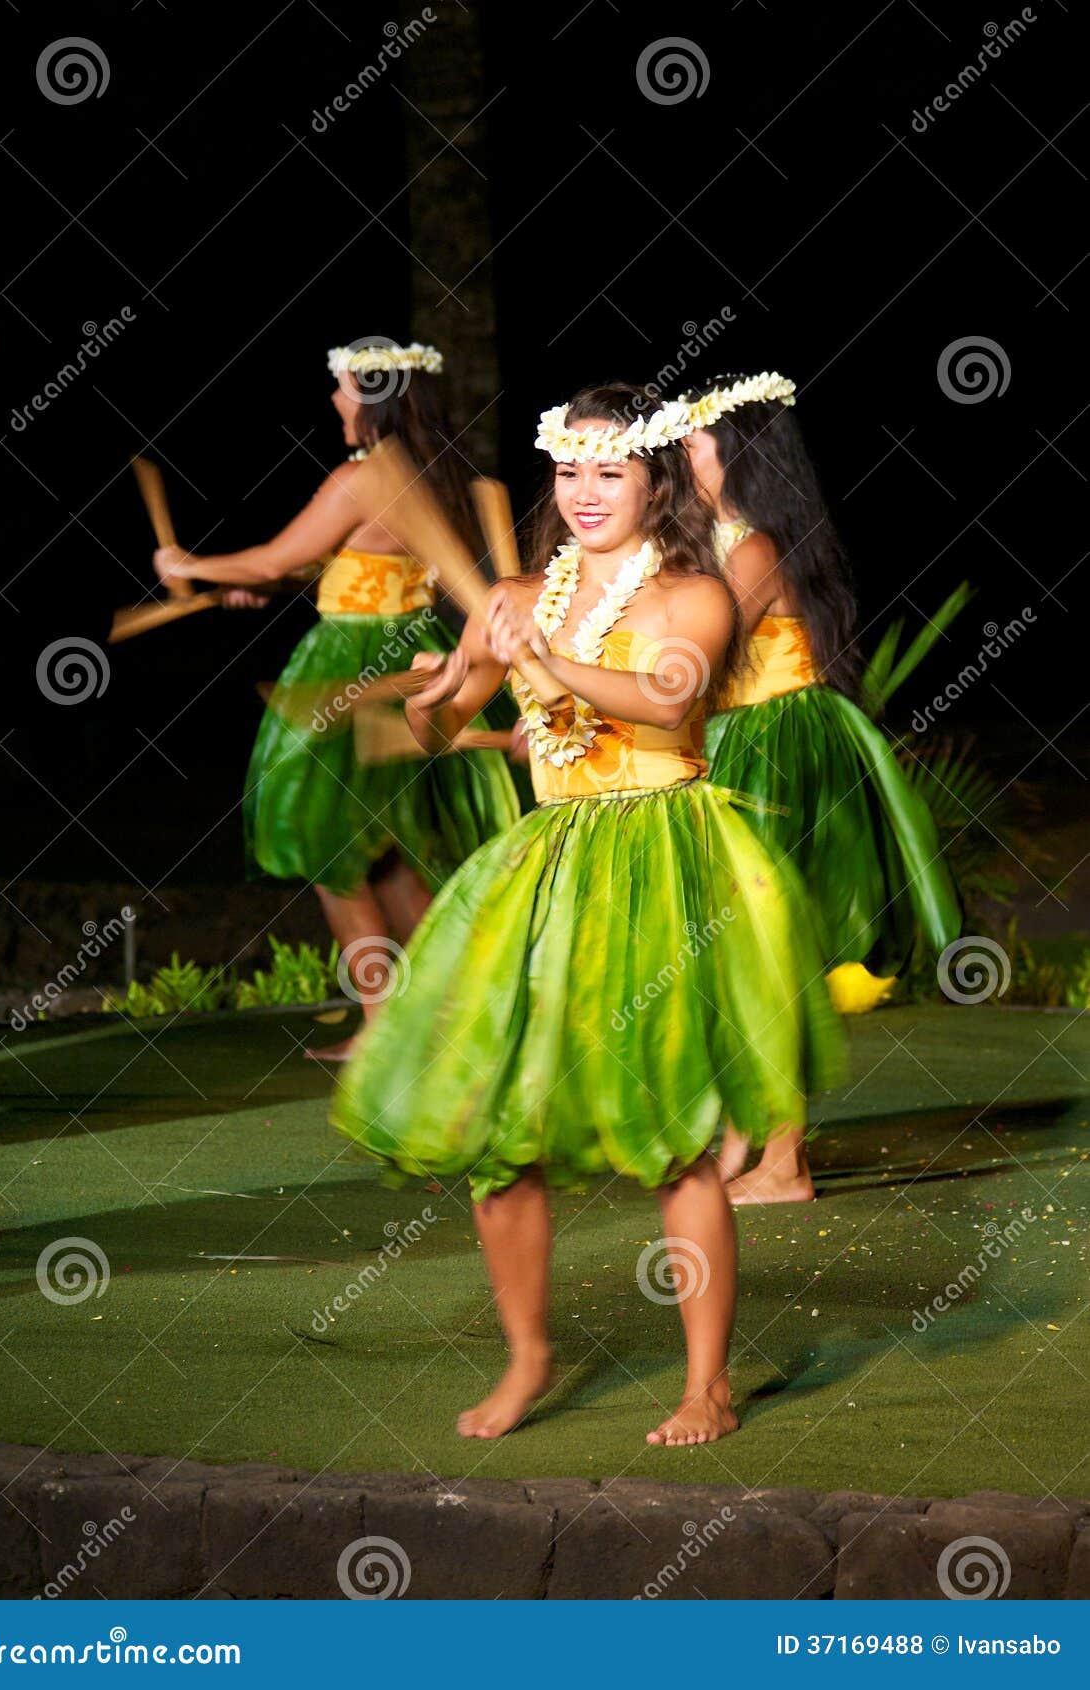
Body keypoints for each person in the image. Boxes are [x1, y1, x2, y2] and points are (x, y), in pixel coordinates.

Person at [331, 384, 842, 1443]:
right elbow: (439, 732)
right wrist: (435, 688)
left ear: (657, 480)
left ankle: (706, 1382)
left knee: (676, 1142)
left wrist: (538, 655)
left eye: (610, 470)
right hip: (547, 867)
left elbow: (668, 695)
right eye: (568, 470)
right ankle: (527, 1356)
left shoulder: (694, 591)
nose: (585, 491)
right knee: (494, 1136)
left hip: (660, 859)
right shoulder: (518, 592)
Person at [153, 340, 518, 1058]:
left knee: (326, 843)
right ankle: (428, 1019)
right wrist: (268, 586)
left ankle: (391, 1025)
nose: (334, 401)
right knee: (392, 851)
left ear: (376, 398)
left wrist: (185, 564)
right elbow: (346, 564)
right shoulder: (436, 471)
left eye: (345, 388)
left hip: (355, 666)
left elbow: (273, 556)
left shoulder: (363, 477)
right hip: (413, 654)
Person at [684, 372, 960, 1203]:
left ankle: (783, 1161)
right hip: (748, 741)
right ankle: (748, 1133)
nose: (679, 455)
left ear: (734, 453)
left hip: (777, 748)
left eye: (692, 441)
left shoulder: (755, 548)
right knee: (743, 950)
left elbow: (694, 661)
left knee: (769, 954)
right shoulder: (735, 538)